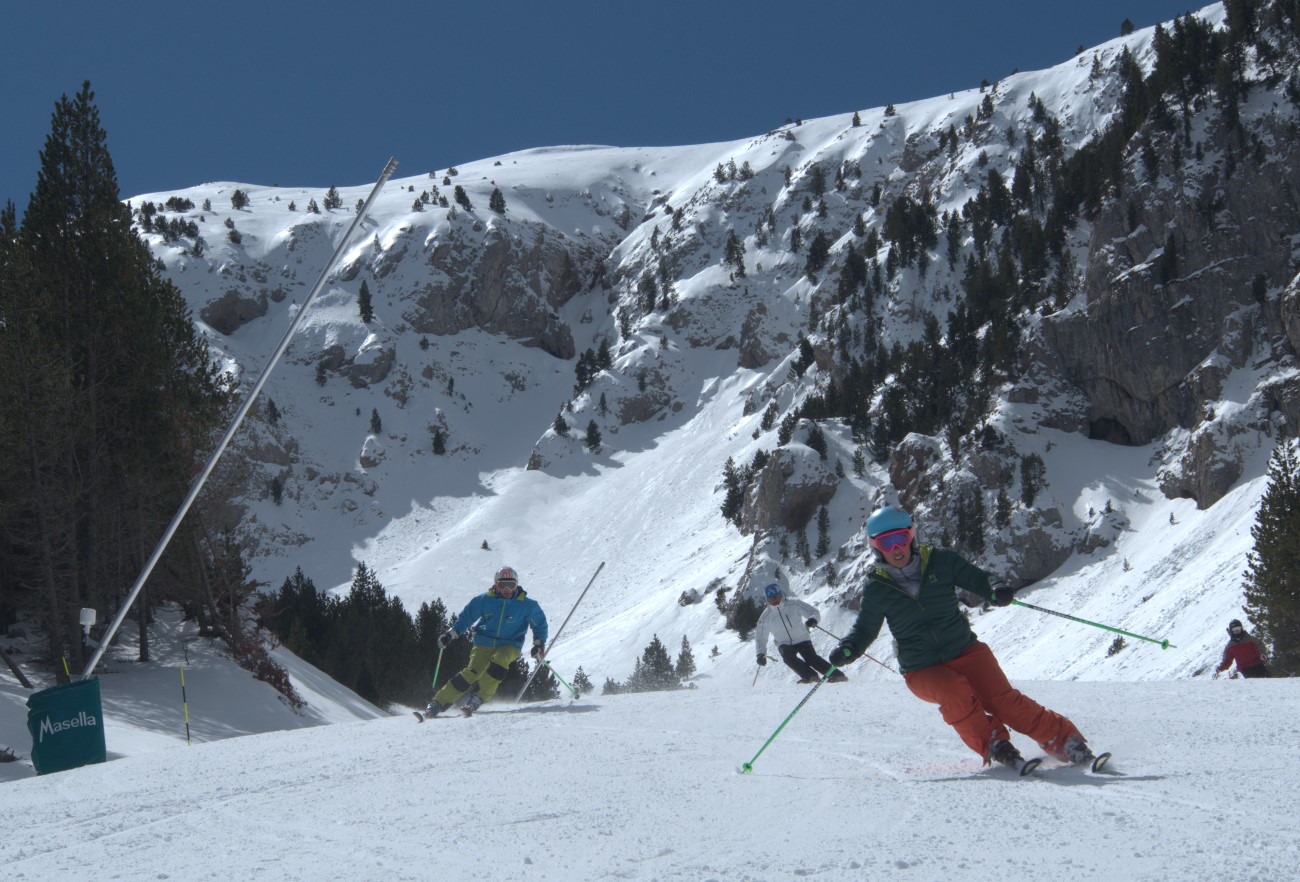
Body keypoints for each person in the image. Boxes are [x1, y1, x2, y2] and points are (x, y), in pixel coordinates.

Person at [829, 505, 1101, 772]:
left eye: (900, 539)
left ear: (911, 536)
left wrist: (995, 588)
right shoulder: (877, 586)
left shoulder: (940, 561)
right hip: (921, 668)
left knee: (1003, 700)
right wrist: (850, 647)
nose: (895, 549)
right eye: (886, 543)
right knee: (954, 691)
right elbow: (865, 627)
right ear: (875, 547)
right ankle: (995, 744)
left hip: (965, 650)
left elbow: (978, 578)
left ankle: (1066, 742)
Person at [424, 566, 548, 717]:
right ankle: (437, 703)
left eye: (511, 585)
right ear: (496, 584)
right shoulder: (484, 600)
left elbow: (539, 625)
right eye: (503, 585)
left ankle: (478, 698)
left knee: (501, 660)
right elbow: (466, 618)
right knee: (472, 672)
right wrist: (450, 634)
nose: (507, 589)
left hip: (510, 644)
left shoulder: (527, 606)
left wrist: (538, 644)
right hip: (484, 642)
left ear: (517, 585)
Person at [754, 583, 847, 684]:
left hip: (802, 638)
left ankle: (837, 675)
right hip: (783, 643)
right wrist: (760, 654)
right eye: (771, 598)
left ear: (780, 595)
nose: (775, 600)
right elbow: (760, 637)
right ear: (767, 600)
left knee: (811, 658)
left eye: (776, 597)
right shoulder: (765, 617)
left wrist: (813, 619)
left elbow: (813, 611)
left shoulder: (794, 604)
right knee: (788, 658)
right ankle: (811, 676)